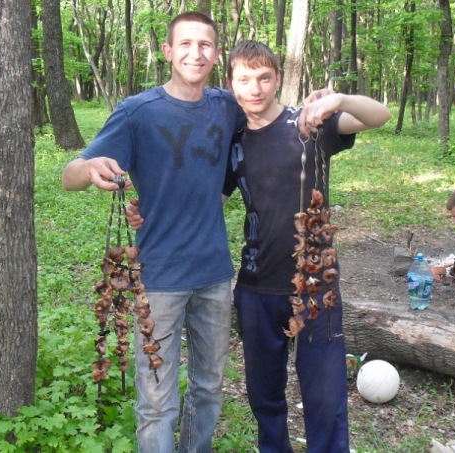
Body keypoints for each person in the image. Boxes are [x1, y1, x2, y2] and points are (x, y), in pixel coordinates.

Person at [127, 40, 391, 452]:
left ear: (278, 79)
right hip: (255, 287)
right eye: (245, 79)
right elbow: (208, 199)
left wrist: (338, 99)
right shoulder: (231, 142)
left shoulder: (309, 124)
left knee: (324, 396)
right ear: (231, 84)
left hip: (314, 285)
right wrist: (149, 209)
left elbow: (379, 116)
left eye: (264, 78)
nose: (255, 88)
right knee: (264, 395)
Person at [62, 12, 245, 453]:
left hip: (215, 273)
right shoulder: (137, 112)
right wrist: (89, 168)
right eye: (185, 44)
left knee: (209, 388)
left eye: (205, 45)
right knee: (157, 401)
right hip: (159, 277)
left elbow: (258, 137)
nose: (195, 53)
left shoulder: (228, 107)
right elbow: (69, 176)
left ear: (216, 54)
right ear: (167, 51)